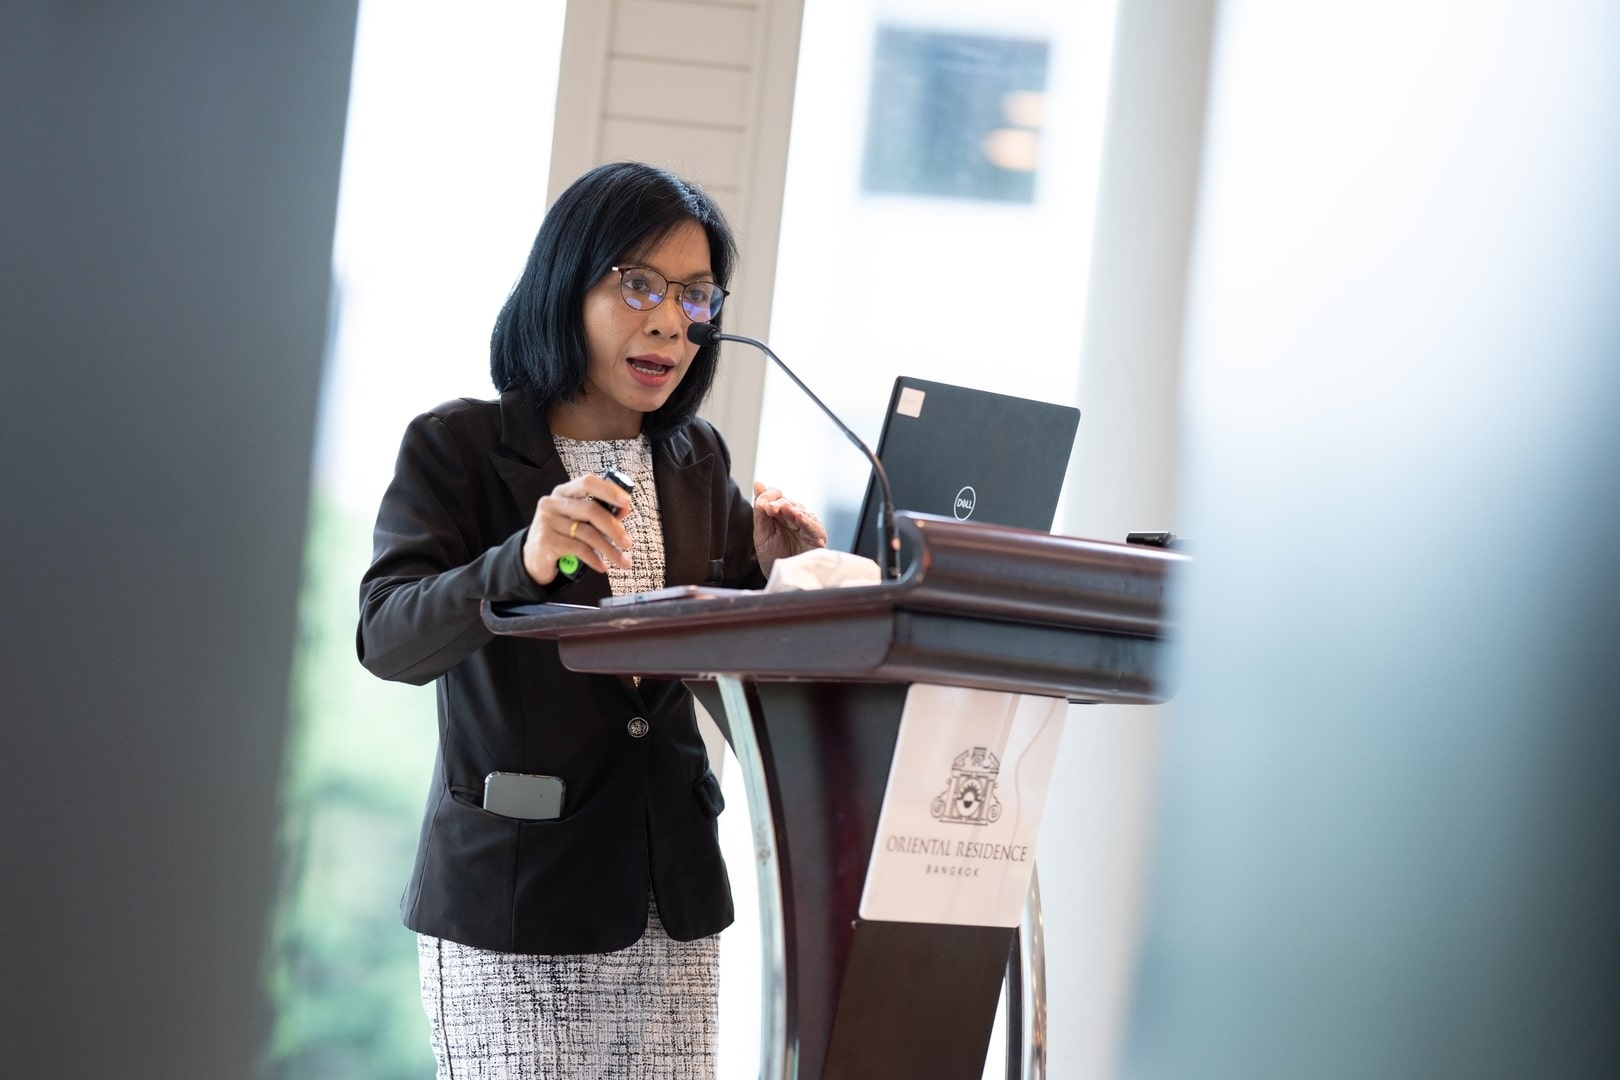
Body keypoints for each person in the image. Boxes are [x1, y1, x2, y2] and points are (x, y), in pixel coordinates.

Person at [357, 161, 827, 1078]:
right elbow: (388, 637)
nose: (669, 322)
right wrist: (520, 560)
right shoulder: (458, 448)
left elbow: (734, 680)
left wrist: (781, 580)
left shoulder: (697, 460)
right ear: (564, 285)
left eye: (694, 296)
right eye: (639, 284)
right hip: (516, 901)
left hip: (669, 899)